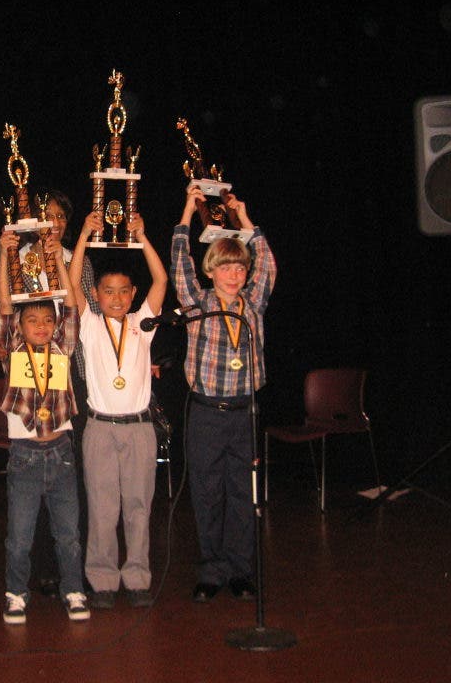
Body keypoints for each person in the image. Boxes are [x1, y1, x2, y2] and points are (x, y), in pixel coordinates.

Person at [170, 184, 276, 602]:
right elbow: (180, 262)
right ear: (211, 271)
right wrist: (186, 210)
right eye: (226, 268)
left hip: (244, 412)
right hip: (206, 415)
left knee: (242, 494)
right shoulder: (197, 302)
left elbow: (267, 262)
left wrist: (244, 219)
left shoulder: (254, 303)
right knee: (208, 494)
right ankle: (212, 571)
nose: (235, 275)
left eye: (240, 268)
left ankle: (241, 571)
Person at [0, 189, 97, 597]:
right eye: (46, 215)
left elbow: (72, 309)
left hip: (63, 412)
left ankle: (71, 582)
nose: (54, 223)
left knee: (67, 514)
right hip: (23, 426)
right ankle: (25, 585)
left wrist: (59, 262)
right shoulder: (14, 339)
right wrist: (5, 255)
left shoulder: (63, 337)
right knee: (22, 523)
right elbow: (4, 307)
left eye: (60, 216)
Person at [68, 209, 167, 609]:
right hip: (100, 429)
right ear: (97, 294)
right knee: (102, 507)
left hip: (140, 429)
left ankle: (138, 577)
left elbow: (161, 280)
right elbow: (72, 279)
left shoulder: (144, 324)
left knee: (139, 507)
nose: (116, 298)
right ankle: (103, 580)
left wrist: (142, 238)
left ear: (132, 293)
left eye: (124, 291)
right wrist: (83, 234)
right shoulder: (91, 326)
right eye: (108, 291)